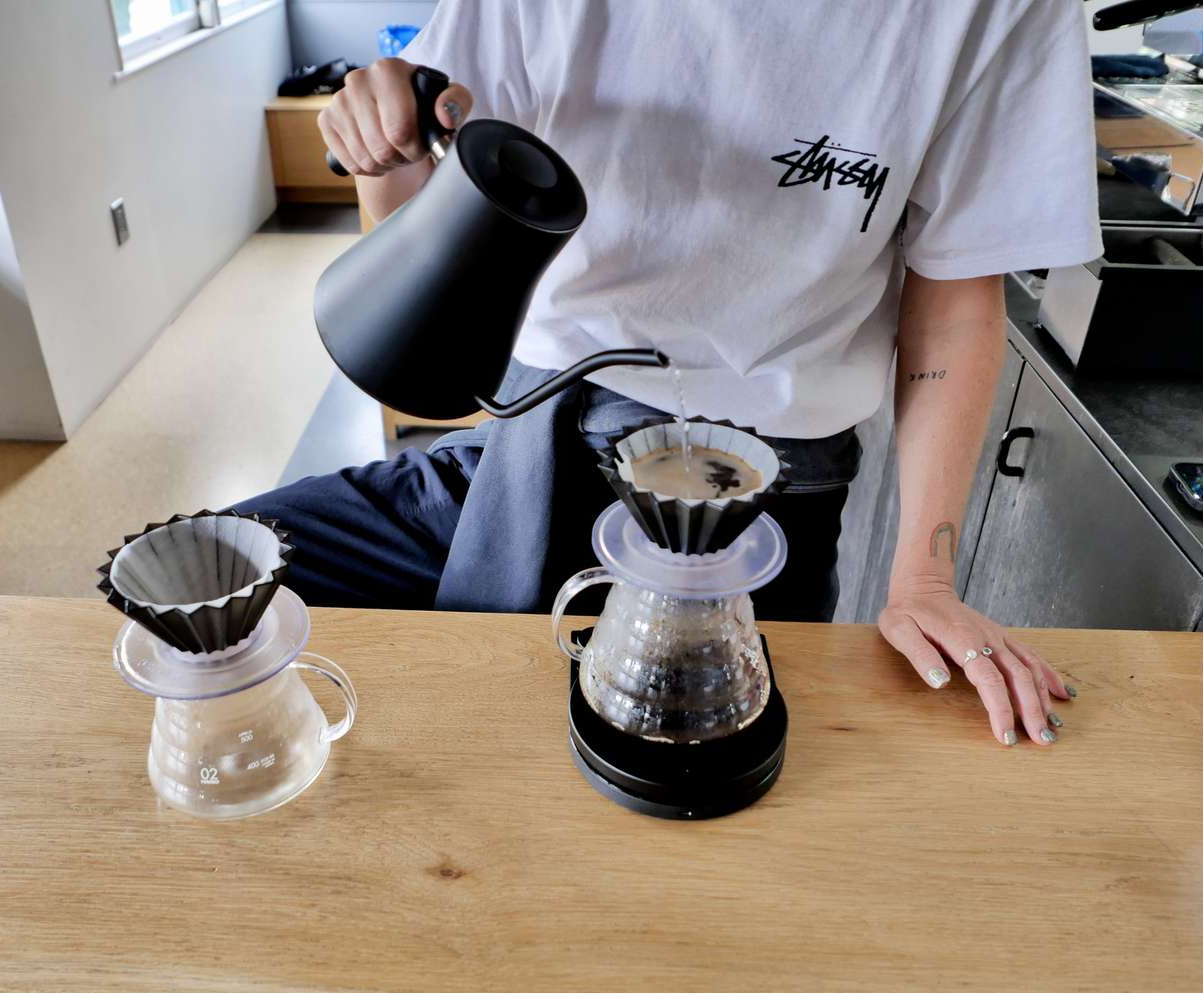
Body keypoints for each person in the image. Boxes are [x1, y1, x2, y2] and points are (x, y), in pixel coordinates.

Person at [235, 0, 1101, 747]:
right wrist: (389, 144)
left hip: (765, 499)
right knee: (211, 577)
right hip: (530, 441)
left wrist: (925, 579)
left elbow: (956, 293)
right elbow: (424, 213)